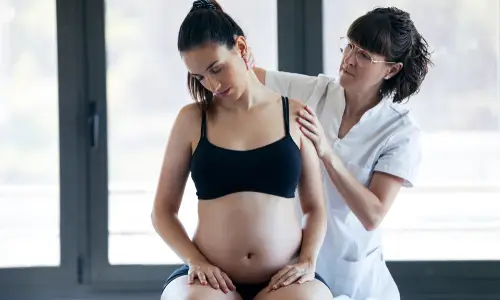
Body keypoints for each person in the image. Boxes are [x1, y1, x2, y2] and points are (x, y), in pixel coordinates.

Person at [151, 1, 334, 300]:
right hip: (209, 279)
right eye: (199, 77)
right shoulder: (191, 119)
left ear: (241, 47)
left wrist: (308, 261)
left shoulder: (295, 114)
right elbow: (162, 212)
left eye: (216, 69)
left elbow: (315, 208)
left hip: (283, 277)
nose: (211, 84)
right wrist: (195, 261)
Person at [250, 6, 433, 300]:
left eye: (364, 55)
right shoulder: (317, 91)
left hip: (356, 280)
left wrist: (326, 152)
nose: (348, 59)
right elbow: (249, 76)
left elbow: (372, 214)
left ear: (391, 69)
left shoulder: (400, 132)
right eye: (349, 45)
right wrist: (225, 36)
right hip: (297, 269)